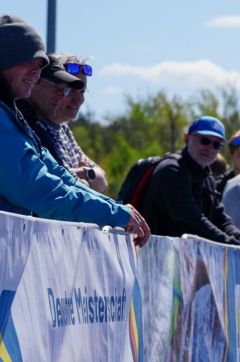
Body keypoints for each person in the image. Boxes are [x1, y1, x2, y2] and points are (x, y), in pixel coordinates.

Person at [0, 14, 149, 244]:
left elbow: (60, 178)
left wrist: (118, 209)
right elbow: (43, 192)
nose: (35, 71)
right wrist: (116, 214)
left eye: (39, 66)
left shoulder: (13, 118)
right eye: (28, 61)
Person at [137, 115, 240, 252]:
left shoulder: (206, 177)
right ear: (187, 139)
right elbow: (190, 220)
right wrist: (234, 244)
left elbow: (219, 218)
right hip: (156, 258)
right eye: (204, 141)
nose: (210, 149)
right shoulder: (172, 170)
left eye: (216, 145)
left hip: (183, 259)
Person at [34, 54, 108, 193]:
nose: (79, 99)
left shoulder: (64, 129)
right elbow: (64, 186)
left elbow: (102, 182)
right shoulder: (35, 127)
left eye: (82, 91)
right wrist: (88, 173)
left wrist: (83, 175)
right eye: (70, 90)